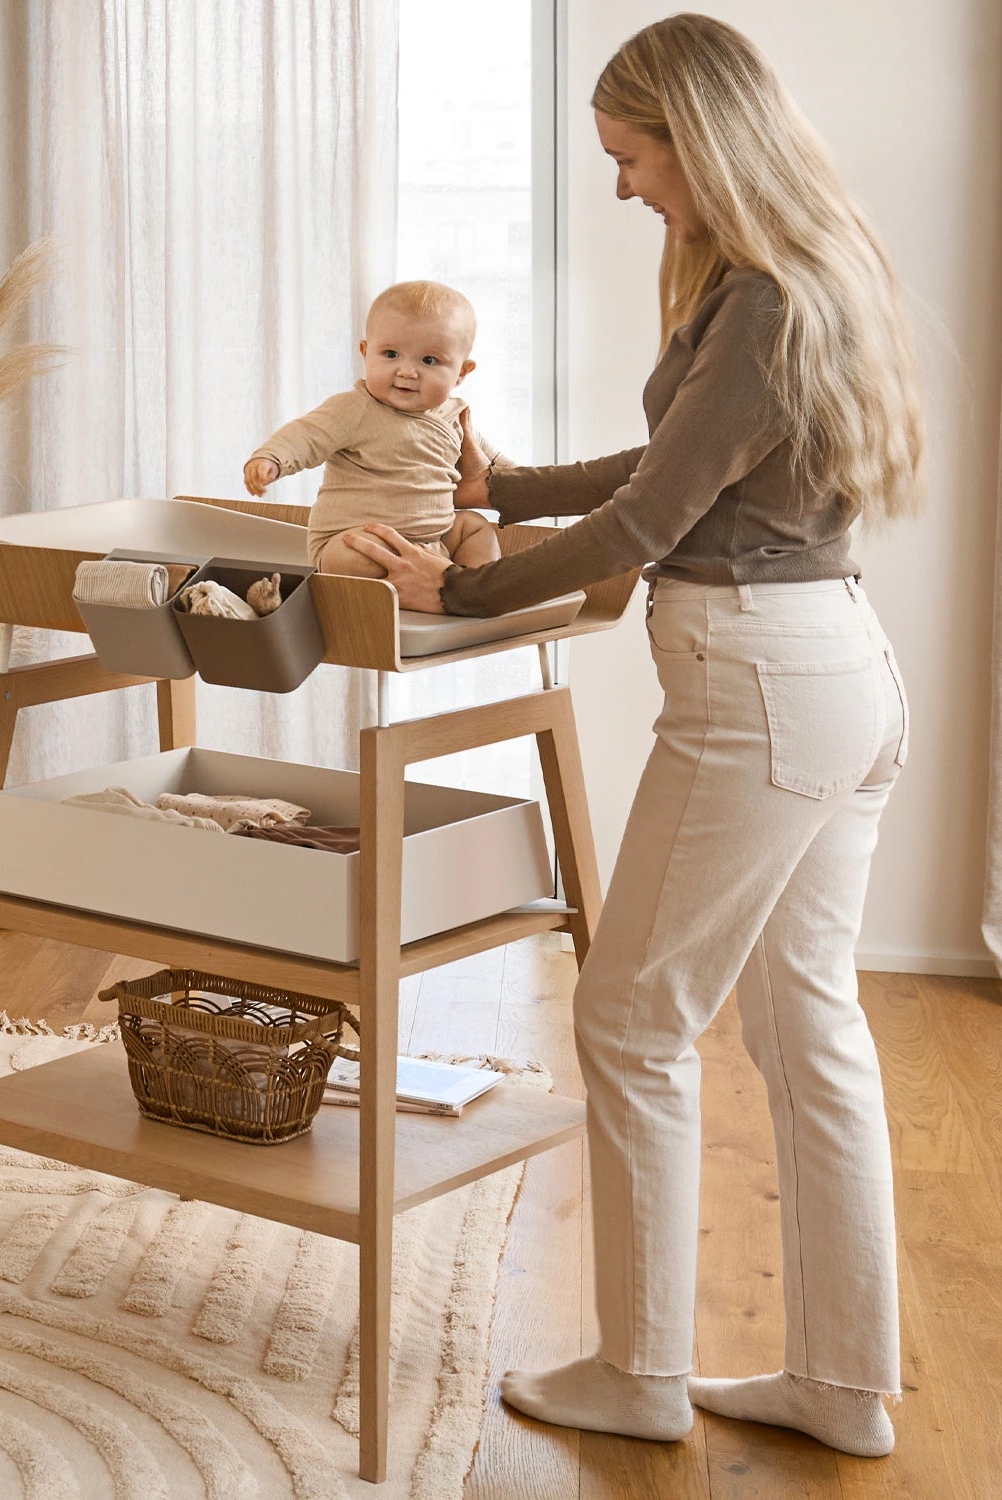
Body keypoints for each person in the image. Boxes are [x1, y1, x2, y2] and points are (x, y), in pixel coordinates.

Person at [346, 14, 920, 1460]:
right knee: (808, 1030)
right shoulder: (797, 282)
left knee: (628, 1019)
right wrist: (514, 479)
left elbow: (649, 523)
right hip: (836, 676)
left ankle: (641, 1373)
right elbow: (678, 469)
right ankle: (846, 1387)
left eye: (630, 155)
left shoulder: (769, 302)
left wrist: (461, 581)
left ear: (697, 135)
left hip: (765, 693)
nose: (622, 189)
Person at [244, 280, 503, 577]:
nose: (407, 371)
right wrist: (272, 459)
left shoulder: (455, 417)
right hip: (360, 538)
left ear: (461, 372)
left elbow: (493, 464)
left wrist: (528, 485)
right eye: (391, 354)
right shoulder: (356, 408)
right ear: (366, 352)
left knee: (474, 528)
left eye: (429, 360)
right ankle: (438, 587)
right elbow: (306, 435)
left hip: (433, 542)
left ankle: (468, 587)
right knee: (352, 555)